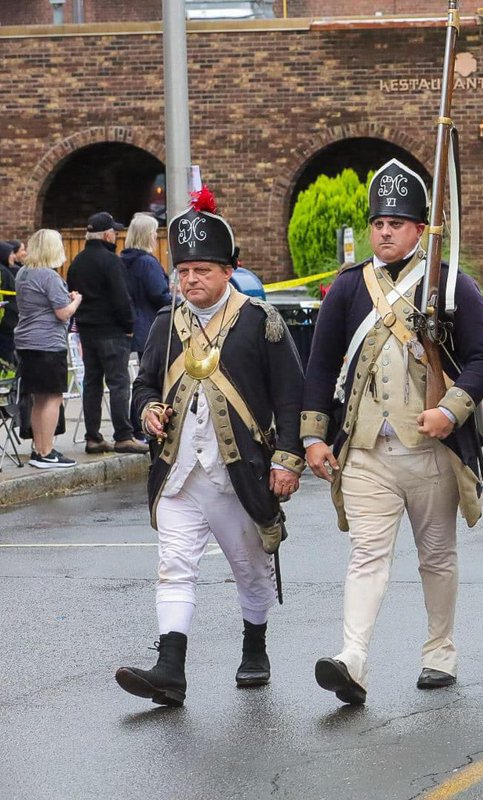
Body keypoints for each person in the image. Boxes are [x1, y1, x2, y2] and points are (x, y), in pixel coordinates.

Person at [303, 158, 483, 705]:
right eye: (378, 223)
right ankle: (353, 659)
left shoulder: (449, 283)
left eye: (396, 223)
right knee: (367, 554)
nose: (384, 232)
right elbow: (319, 366)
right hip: (366, 448)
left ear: (420, 229)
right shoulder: (347, 288)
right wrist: (315, 437)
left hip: (430, 447)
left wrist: (452, 410)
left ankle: (439, 652)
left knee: (436, 554)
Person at [116, 191, 305, 706]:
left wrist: (288, 459)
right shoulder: (165, 324)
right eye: (184, 270)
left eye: (202, 269)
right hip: (179, 473)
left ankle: (255, 646)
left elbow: (291, 396)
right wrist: (149, 409)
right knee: (174, 566)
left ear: (228, 271)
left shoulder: (260, 321)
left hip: (238, 471)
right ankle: (170, 670)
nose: (191, 279)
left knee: (250, 567)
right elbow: (145, 384)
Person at [66, 211, 147, 454]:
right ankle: (123, 435)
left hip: (87, 330)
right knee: (119, 382)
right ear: (108, 234)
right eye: (115, 232)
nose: (116, 236)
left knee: (92, 383)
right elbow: (121, 298)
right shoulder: (111, 261)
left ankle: (93, 437)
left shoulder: (77, 262)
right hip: (112, 331)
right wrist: (129, 326)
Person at [12, 229, 82, 468]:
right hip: (48, 344)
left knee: (38, 398)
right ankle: (47, 450)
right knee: (53, 397)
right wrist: (75, 301)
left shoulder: (23, 273)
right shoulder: (49, 276)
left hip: (26, 342)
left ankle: (38, 449)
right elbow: (62, 313)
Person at [121, 213, 172, 358]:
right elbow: (158, 294)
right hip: (151, 323)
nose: (156, 235)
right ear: (148, 235)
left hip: (134, 323)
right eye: (154, 232)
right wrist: (177, 302)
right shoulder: (147, 262)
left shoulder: (123, 260)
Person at [0, 241, 18, 365]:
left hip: (7, 324)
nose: (14, 256)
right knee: (7, 361)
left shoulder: (6, 271)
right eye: (11, 253)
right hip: (5, 326)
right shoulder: (3, 273)